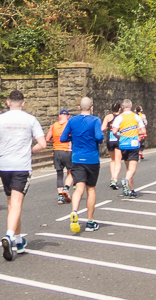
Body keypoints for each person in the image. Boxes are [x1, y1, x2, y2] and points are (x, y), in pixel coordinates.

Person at [0, 89, 46, 261]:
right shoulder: (30, 119)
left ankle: (18, 241)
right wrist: (30, 150)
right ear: (23, 103)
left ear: (7, 102)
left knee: (11, 204)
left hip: (5, 166)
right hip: (21, 165)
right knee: (17, 203)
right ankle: (9, 235)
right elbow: (42, 143)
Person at [61, 96, 104, 233]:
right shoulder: (95, 120)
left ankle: (74, 211)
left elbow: (63, 138)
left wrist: (73, 137)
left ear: (79, 108)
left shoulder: (72, 120)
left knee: (78, 187)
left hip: (77, 159)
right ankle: (90, 222)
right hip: (92, 159)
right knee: (90, 189)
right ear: (91, 108)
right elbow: (99, 137)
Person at [111, 99, 146, 197]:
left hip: (123, 145)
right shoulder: (136, 116)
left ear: (122, 107)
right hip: (133, 144)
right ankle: (126, 181)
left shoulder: (119, 117)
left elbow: (114, 131)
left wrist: (120, 136)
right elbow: (143, 131)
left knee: (128, 169)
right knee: (132, 169)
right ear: (131, 107)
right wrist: (135, 132)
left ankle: (132, 190)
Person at [47, 109, 74, 204]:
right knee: (70, 172)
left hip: (57, 151)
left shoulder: (54, 125)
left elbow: (47, 139)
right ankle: (66, 188)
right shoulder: (69, 125)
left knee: (59, 174)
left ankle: (60, 197)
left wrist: (54, 142)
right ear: (68, 116)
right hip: (67, 150)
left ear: (59, 116)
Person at [103, 102, 122, 189]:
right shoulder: (122, 117)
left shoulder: (108, 117)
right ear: (119, 109)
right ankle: (115, 179)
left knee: (113, 160)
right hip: (118, 138)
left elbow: (102, 128)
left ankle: (112, 178)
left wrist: (108, 127)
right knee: (118, 160)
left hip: (110, 139)